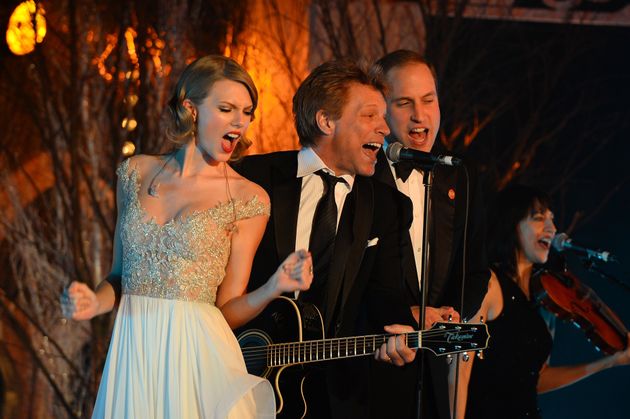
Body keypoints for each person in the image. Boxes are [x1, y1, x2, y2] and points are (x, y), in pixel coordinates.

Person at [61, 55, 314, 418]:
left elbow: (228, 309)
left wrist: (273, 286)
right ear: (191, 109)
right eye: (227, 108)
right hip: (133, 356)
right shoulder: (135, 173)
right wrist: (92, 303)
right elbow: (119, 276)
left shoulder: (247, 199)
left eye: (247, 111)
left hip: (197, 363)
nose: (240, 121)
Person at [233, 59, 417, 418]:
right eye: (370, 116)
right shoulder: (251, 178)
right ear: (326, 121)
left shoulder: (387, 207)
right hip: (240, 383)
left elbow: (386, 294)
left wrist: (400, 331)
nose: (385, 129)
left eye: (384, 117)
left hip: (333, 399)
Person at [368, 49, 490, 419]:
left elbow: (476, 268)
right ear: (381, 109)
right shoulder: (362, 177)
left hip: (434, 376)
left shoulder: (459, 176)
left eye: (429, 100)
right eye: (404, 103)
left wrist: (450, 316)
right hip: (369, 370)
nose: (420, 116)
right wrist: (405, 315)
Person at [464, 184, 630, 419]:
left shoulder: (541, 300)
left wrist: (609, 362)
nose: (553, 229)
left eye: (552, 219)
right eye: (539, 218)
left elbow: (536, 379)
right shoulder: (489, 285)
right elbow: (460, 371)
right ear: (512, 223)